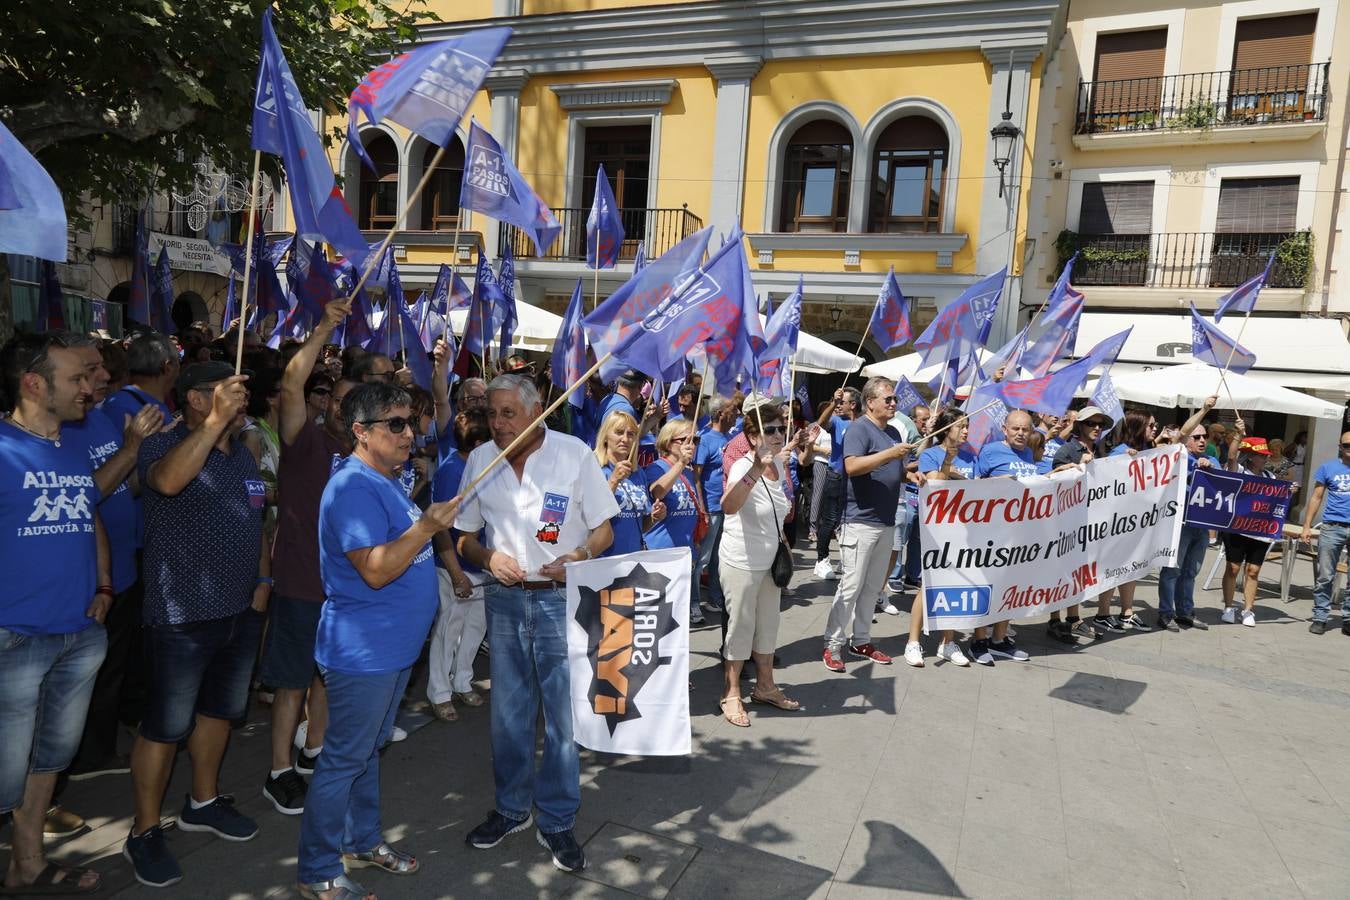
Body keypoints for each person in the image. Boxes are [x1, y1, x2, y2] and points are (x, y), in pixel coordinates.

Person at [295, 383, 459, 900]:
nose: (410, 433)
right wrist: (427, 526)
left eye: (410, 422)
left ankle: (360, 843)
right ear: (361, 432)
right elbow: (375, 570)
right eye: (396, 424)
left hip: (388, 653)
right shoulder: (354, 488)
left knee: (365, 754)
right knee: (344, 759)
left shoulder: (383, 479)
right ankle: (317, 870)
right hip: (362, 654)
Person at [455, 374, 617, 873]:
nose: (498, 423)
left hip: (559, 601)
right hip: (504, 601)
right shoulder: (481, 460)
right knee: (508, 714)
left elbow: (604, 529)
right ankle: (511, 809)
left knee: (563, 719)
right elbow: (462, 537)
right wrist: (486, 556)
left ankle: (558, 819)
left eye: (508, 413)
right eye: (492, 414)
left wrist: (579, 554)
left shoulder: (574, 454)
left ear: (537, 411)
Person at [124, 362, 270, 888]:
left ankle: (202, 802)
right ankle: (142, 831)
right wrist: (211, 427)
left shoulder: (245, 455)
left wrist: (263, 580)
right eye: (221, 391)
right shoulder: (164, 444)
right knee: (164, 728)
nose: (236, 397)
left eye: (240, 390)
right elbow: (163, 483)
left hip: (238, 610)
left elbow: (258, 519)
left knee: (219, 714)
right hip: (180, 615)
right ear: (192, 398)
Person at [0, 333, 109, 895]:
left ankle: (27, 863)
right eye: (77, 379)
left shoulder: (70, 444)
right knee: (4, 774)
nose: (90, 388)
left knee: (49, 759)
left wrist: (105, 586)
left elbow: (86, 516)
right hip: (13, 638)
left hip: (79, 634)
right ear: (34, 383)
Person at [260, 300, 358, 816]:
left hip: (344, 587)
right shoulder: (304, 440)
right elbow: (294, 381)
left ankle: (313, 751)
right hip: (301, 581)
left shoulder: (365, 454)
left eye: (350, 402)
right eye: (334, 398)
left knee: (328, 675)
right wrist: (323, 326)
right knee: (294, 681)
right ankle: (279, 769)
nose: (340, 407)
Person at [65, 337, 164, 778]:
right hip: (86, 579)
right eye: (90, 371)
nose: (104, 377)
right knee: (85, 677)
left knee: (113, 668)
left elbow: (125, 487)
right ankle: (84, 759)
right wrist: (131, 451)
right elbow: (86, 497)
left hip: (120, 569)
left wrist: (150, 461)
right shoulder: (62, 431)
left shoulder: (102, 419)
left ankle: (98, 749)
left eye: (102, 369)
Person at [822, 377, 912, 673]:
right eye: (887, 399)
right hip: (860, 521)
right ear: (870, 402)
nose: (893, 403)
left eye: (894, 399)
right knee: (850, 586)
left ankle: (861, 639)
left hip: (885, 520)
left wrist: (911, 475)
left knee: (872, 587)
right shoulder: (859, 428)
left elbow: (893, 470)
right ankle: (832, 645)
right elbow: (852, 466)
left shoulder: (894, 431)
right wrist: (890, 453)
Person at [717, 405, 798, 727]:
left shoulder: (778, 462)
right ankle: (732, 692)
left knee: (768, 626)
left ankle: (765, 686)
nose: (779, 435)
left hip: (768, 560)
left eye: (781, 429)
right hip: (741, 561)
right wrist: (754, 469)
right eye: (772, 430)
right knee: (740, 627)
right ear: (752, 437)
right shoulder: (742, 466)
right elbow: (729, 506)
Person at [426, 409, 493, 723]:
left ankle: (463, 680)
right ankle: (439, 692)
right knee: (448, 631)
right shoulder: (453, 470)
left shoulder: (485, 466)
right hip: (454, 565)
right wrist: (455, 573)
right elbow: (440, 526)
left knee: (475, 629)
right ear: (478, 442)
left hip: (480, 566)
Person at [903, 406, 974, 668]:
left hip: (965, 531)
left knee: (956, 585)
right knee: (930, 584)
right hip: (938, 530)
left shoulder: (971, 456)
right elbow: (936, 485)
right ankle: (913, 641)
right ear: (946, 429)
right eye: (960, 426)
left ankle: (948, 642)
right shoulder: (931, 454)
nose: (966, 430)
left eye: (967, 425)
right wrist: (950, 466)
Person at [1156, 396, 1220, 633]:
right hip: (1179, 523)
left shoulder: (1212, 459)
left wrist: (1210, 468)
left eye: (1205, 437)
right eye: (1197, 437)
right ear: (1187, 440)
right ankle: (1166, 613)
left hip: (1200, 525)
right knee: (1172, 569)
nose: (1202, 440)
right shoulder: (1179, 454)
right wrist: (1204, 409)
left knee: (1191, 571)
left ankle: (1185, 612)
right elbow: (1183, 431)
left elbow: (1223, 486)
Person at [1090, 410, 1156, 634]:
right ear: (1138, 427)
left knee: (1132, 567)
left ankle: (1127, 612)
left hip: (1137, 522)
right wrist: (1121, 461)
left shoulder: (1149, 451)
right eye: (1151, 426)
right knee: (1112, 567)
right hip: (1116, 522)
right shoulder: (1120, 452)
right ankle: (1102, 613)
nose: (1154, 429)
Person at [644, 418, 707, 625]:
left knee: (675, 620)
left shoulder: (688, 473)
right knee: (657, 619)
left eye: (696, 439)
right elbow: (657, 491)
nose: (693, 444)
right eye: (687, 439)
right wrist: (680, 463)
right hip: (660, 555)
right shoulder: (657, 468)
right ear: (669, 443)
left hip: (683, 555)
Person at [1218, 427, 1271, 629]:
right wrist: (1239, 435)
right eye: (1260, 455)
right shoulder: (1239, 471)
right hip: (1237, 526)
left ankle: (1248, 609)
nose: (1265, 459)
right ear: (1250, 457)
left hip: (1259, 529)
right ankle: (1229, 607)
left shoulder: (1270, 477)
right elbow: (1232, 457)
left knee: (1254, 570)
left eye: (1265, 455)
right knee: (1233, 568)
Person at [594, 411, 664, 557]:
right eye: (619, 432)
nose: (625, 439)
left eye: (631, 434)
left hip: (633, 559)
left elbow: (640, 524)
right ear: (605, 436)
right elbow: (591, 516)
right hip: (602, 560)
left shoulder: (639, 473)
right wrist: (613, 481)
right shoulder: (594, 468)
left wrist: (654, 517)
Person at [1301, 430, 1350, 634]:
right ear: (1340, 447)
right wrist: (1307, 526)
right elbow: (1316, 497)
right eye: (1347, 445)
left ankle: (1347, 618)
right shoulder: (1328, 468)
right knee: (1325, 575)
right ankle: (1321, 616)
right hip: (1332, 527)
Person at [811, 387, 860, 580]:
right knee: (830, 520)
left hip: (856, 477)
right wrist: (833, 402)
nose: (838, 406)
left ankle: (846, 559)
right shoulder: (838, 421)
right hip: (836, 476)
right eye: (838, 402)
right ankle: (821, 560)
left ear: (853, 405)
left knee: (850, 520)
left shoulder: (864, 423)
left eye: (842, 402)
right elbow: (822, 422)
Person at [693, 398, 734, 613]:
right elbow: (696, 476)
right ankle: (693, 604)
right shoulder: (705, 439)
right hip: (710, 506)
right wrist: (702, 508)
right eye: (732, 410)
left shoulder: (729, 437)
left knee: (720, 556)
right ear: (720, 414)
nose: (736, 413)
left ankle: (715, 599)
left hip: (725, 506)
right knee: (703, 558)